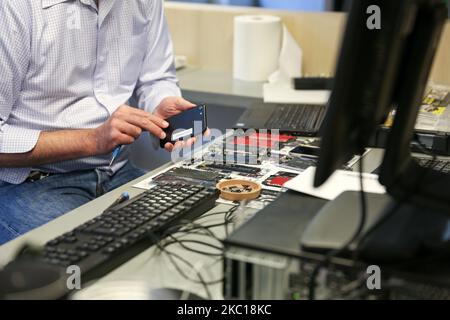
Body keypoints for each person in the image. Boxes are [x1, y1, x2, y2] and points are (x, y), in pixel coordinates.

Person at [0, 0, 195, 244]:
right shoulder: (14, 7)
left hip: (117, 172)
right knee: (94, 261)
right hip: (33, 184)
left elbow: (155, 78)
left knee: (191, 230)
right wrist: (93, 140)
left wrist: (161, 102)